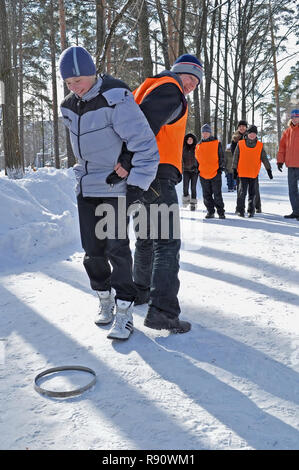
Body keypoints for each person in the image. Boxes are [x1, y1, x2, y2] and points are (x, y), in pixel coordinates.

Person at [59, 46, 159, 340]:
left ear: (93, 73)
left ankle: (125, 309)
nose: (76, 87)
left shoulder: (116, 96)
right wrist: (79, 177)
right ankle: (104, 299)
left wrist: (137, 184)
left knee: (117, 248)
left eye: (80, 80)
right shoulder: (68, 106)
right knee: (92, 251)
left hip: (115, 188)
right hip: (87, 187)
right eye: (69, 82)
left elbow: (144, 144)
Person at [130, 53, 203, 333]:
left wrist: (130, 163)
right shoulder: (171, 90)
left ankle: (141, 290)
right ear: (178, 73)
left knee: (146, 239)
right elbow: (144, 126)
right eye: (189, 77)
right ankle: (163, 311)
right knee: (168, 244)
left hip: (142, 175)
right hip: (158, 173)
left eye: (196, 82)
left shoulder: (149, 86)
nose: (191, 85)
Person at [232, 125, 272, 217]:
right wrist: (234, 169)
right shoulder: (240, 143)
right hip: (242, 173)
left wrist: (268, 170)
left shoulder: (259, 145)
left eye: (254, 133)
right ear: (247, 134)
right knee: (242, 193)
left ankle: (251, 210)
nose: (252, 135)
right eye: (251, 133)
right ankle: (240, 210)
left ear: (256, 135)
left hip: (254, 173)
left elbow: (264, 158)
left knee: (252, 194)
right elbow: (235, 157)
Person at [195, 124, 226, 219]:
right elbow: (196, 159)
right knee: (206, 195)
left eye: (207, 132)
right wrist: (197, 170)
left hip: (215, 173)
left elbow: (221, 157)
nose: (205, 134)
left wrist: (220, 169)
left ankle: (221, 212)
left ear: (210, 133)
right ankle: (210, 211)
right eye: (203, 132)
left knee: (217, 194)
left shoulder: (217, 143)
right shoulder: (198, 146)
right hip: (203, 174)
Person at [231, 120, 262, 211]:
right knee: (240, 188)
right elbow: (234, 153)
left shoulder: (252, 136)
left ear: (246, 128)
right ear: (238, 128)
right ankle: (239, 207)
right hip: (240, 166)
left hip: (252, 167)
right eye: (240, 126)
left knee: (255, 188)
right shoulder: (235, 139)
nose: (242, 128)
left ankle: (257, 206)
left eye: (243, 126)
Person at [276, 109, 299, 220]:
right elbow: (282, 148)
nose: (295, 119)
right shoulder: (287, 132)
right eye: (293, 117)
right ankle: (296, 211)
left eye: (297, 117)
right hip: (291, 166)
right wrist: (280, 161)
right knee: (292, 190)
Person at [182, 133, 199, 210]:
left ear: (193, 140)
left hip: (194, 171)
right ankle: (186, 201)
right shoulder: (183, 148)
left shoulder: (196, 148)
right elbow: (180, 159)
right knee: (185, 187)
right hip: (186, 170)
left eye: (191, 139)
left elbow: (199, 158)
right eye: (188, 139)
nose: (190, 140)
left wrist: (198, 168)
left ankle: (193, 204)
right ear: (186, 140)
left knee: (193, 187)